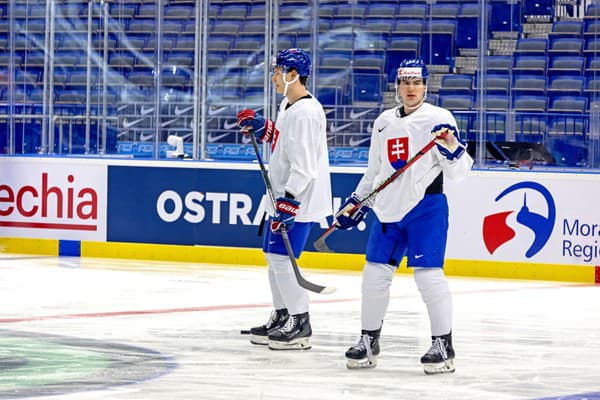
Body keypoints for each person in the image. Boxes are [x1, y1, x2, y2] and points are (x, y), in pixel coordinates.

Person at [334, 58, 473, 373]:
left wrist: (452, 146)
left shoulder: (439, 118)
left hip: (426, 208)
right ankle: (369, 339)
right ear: (397, 86)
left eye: (417, 82)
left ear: (426, 85)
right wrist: (356, 202)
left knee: (427, 276)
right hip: (387, 210)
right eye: (405, 82)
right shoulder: (384, 121)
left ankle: (443, 343)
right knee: (373, 277)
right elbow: (375, 171)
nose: (411, 88)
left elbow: (460, 173)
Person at [236, 49, 332, 350]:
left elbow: (304, 166)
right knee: (272, 255)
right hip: (281, 194)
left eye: (278, 71)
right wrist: (264, 130)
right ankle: (282, 314)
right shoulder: (289, 105)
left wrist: (289, 203)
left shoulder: (305, 112)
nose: (274, 77)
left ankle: (300, 321)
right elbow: (285, 143)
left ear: (293, 74)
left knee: (281, 257)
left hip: (298, 198)